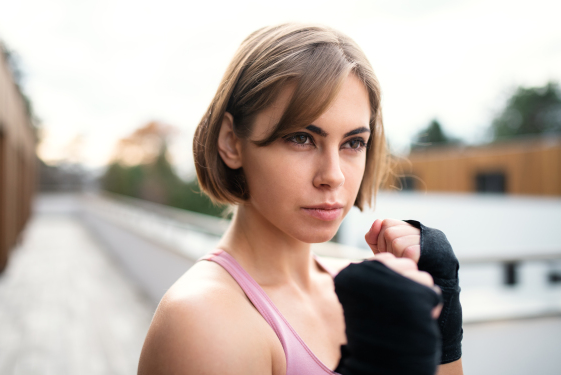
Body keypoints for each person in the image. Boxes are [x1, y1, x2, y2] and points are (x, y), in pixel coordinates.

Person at [138, 23, 463, 375]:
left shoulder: (361, 292)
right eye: (301, 138)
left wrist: (444, 328)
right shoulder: (202, 320)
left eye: (353, 143)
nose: (334, 175)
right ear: (232, 141)